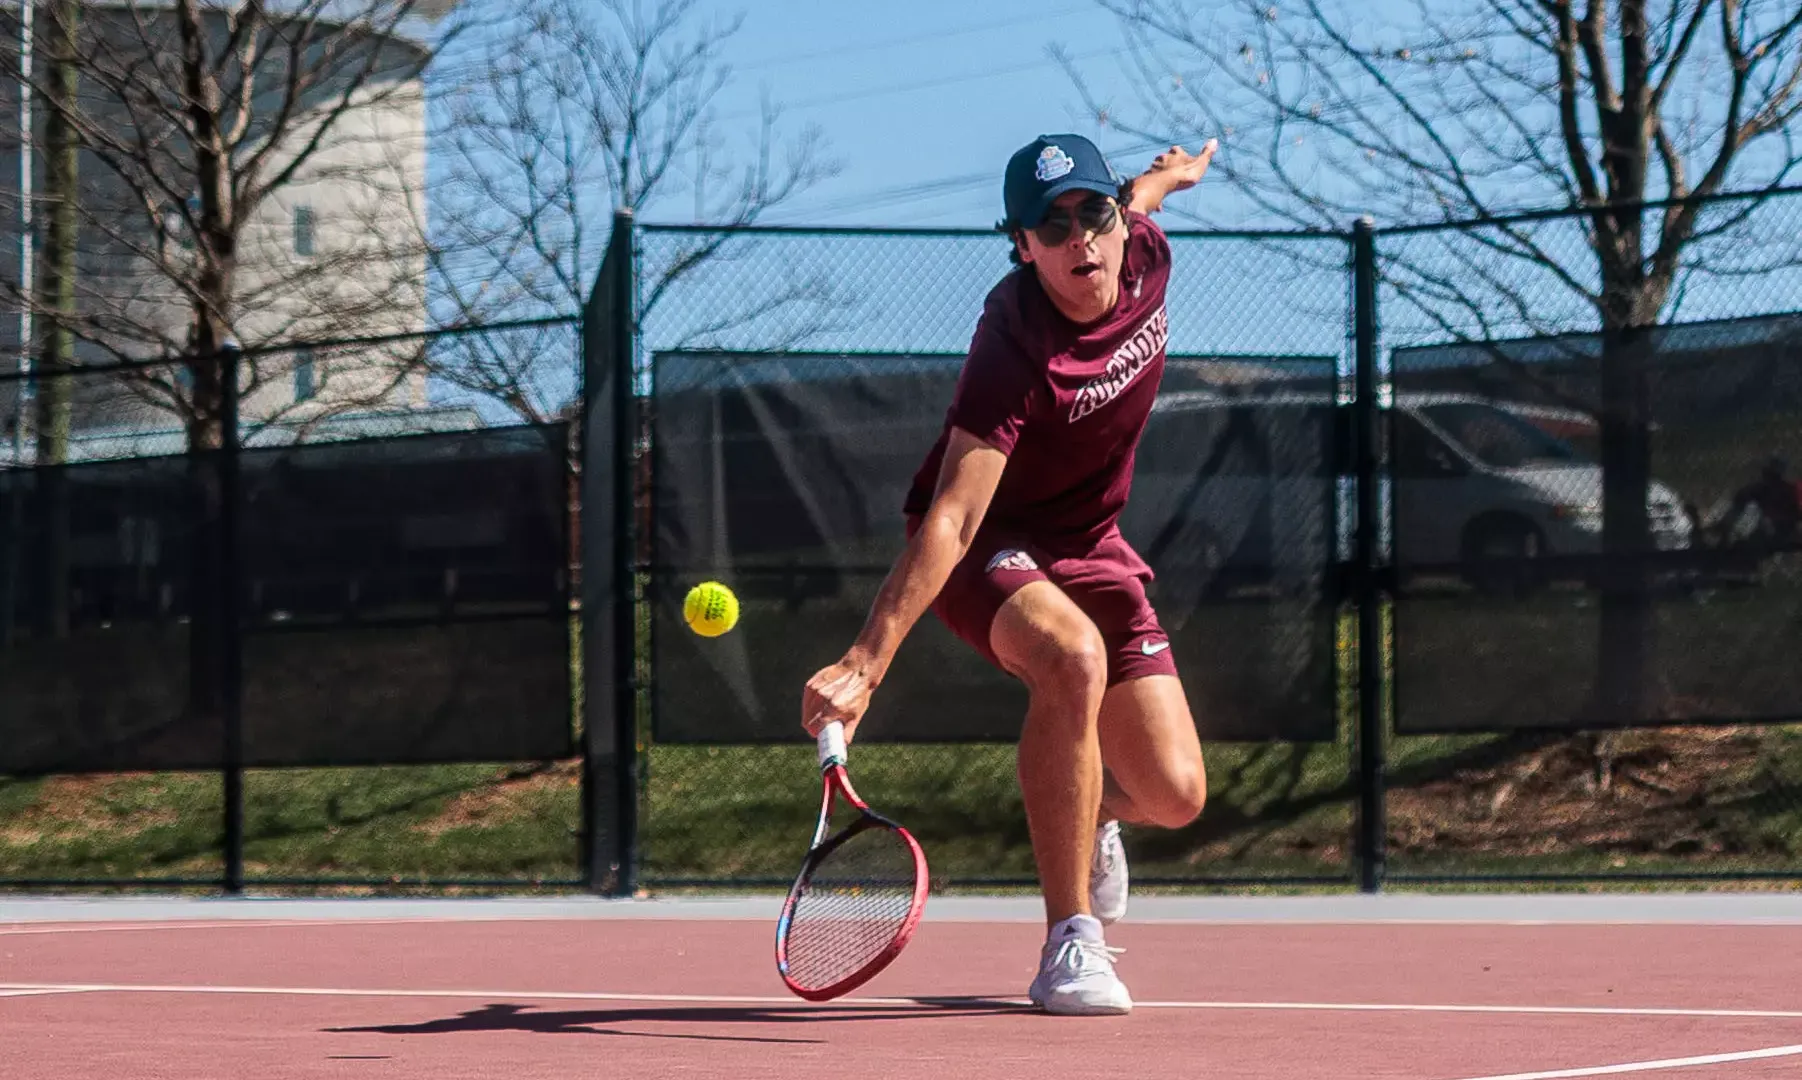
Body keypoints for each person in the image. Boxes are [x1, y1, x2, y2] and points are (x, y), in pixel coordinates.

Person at [800, 132, 1217, 1016]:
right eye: (1050, 225)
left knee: (1176, 795)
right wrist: (867, 662)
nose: (1081, 241)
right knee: (1069, 659)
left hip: (1093, 541)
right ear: (1021, 244)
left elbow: (1140, 199)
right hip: (989, 546)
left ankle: (1093, 815)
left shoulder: (1140, 247)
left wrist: (1167, 178)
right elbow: (952, 516)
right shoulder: (1010, 342)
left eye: (1091, 213)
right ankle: (1071, 943)